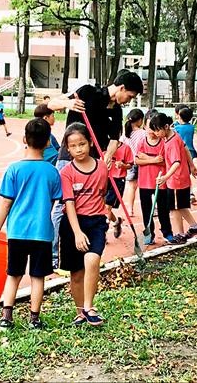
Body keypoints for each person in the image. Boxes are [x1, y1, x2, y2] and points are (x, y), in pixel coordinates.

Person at [47, 70, 143, 269]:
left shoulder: (116, 111)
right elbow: (51, 104)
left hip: (94, 163)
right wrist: (68, 104)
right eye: (130, 96)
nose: (128, 101)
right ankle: (55, 256)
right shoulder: (87, 92)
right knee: (61, 206)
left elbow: (115, 139)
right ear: (122, 88)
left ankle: (87, 247)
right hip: (69, 159)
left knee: (92, 204)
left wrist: (107, 157)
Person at [0, 118, 62, 329]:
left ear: (24, 139)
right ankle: (34, 319)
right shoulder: (52, 172)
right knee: (38, 277)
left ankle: (6, 318)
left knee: (13, 274)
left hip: (17, 231)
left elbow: (6, 204)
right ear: (48, 142)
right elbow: (55, 201)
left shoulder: (14, 169)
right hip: (42, 233)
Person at [58, 122, 109, 326]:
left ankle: (89, 306)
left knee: (92, 260)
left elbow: (102, 193)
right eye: (73, 146)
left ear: (89, 143)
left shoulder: (102, 167)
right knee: (77, 273)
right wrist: (77, 232)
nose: (79, 149)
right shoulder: (66, 173)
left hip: (96, 222)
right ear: (67, 149)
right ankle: (81, 312)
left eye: (82, 144)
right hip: (72, 224)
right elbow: (69, 203)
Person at [150, 113, 197, 244]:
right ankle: (195, 226)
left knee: (175, 208)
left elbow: (176, 162)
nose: (156, 133)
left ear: (166, 127)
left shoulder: (172, 141)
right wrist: (191, 166)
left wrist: (166, 177)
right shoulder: (173, 135)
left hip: (176, 179)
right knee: (181, 205)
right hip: (181, 176)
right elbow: (185, 149)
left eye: (157, 130)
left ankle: (180, 234)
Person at [135, 110, 173, 244]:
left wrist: (148, 157)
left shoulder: (164, 142)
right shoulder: (141, 142)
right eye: (148, 126)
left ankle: (167, 233)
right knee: (147, 211)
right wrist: (153, 160)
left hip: (160, 182)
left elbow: (165, 161)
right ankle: (149, 234)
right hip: (144, 182)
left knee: (163, 210)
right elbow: (137, 161)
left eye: (154, 127)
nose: (151, 130)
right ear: (144, 127)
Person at [120, 108, 146, 217]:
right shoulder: (142, 133)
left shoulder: (125, 133)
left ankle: (130, 209)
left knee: (132, 186)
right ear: (140, 120)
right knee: (146, 187)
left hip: (130, 162)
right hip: (141, 161)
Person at [105, 140, 133, 238]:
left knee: (107, 207)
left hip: (118, 180)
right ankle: (116, 221)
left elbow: (130, 165)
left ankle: (102, 233)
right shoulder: (103, 146)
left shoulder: (126, 148)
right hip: (105, 178)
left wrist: (123, 165)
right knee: (102, 207)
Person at [175, 107, 197, 203]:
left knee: (180, 173)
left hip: (182, 152)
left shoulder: (177, 128)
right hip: (191, 151)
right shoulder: (191, 127)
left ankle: (187, 193)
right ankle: (190, 193)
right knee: (187, 173)